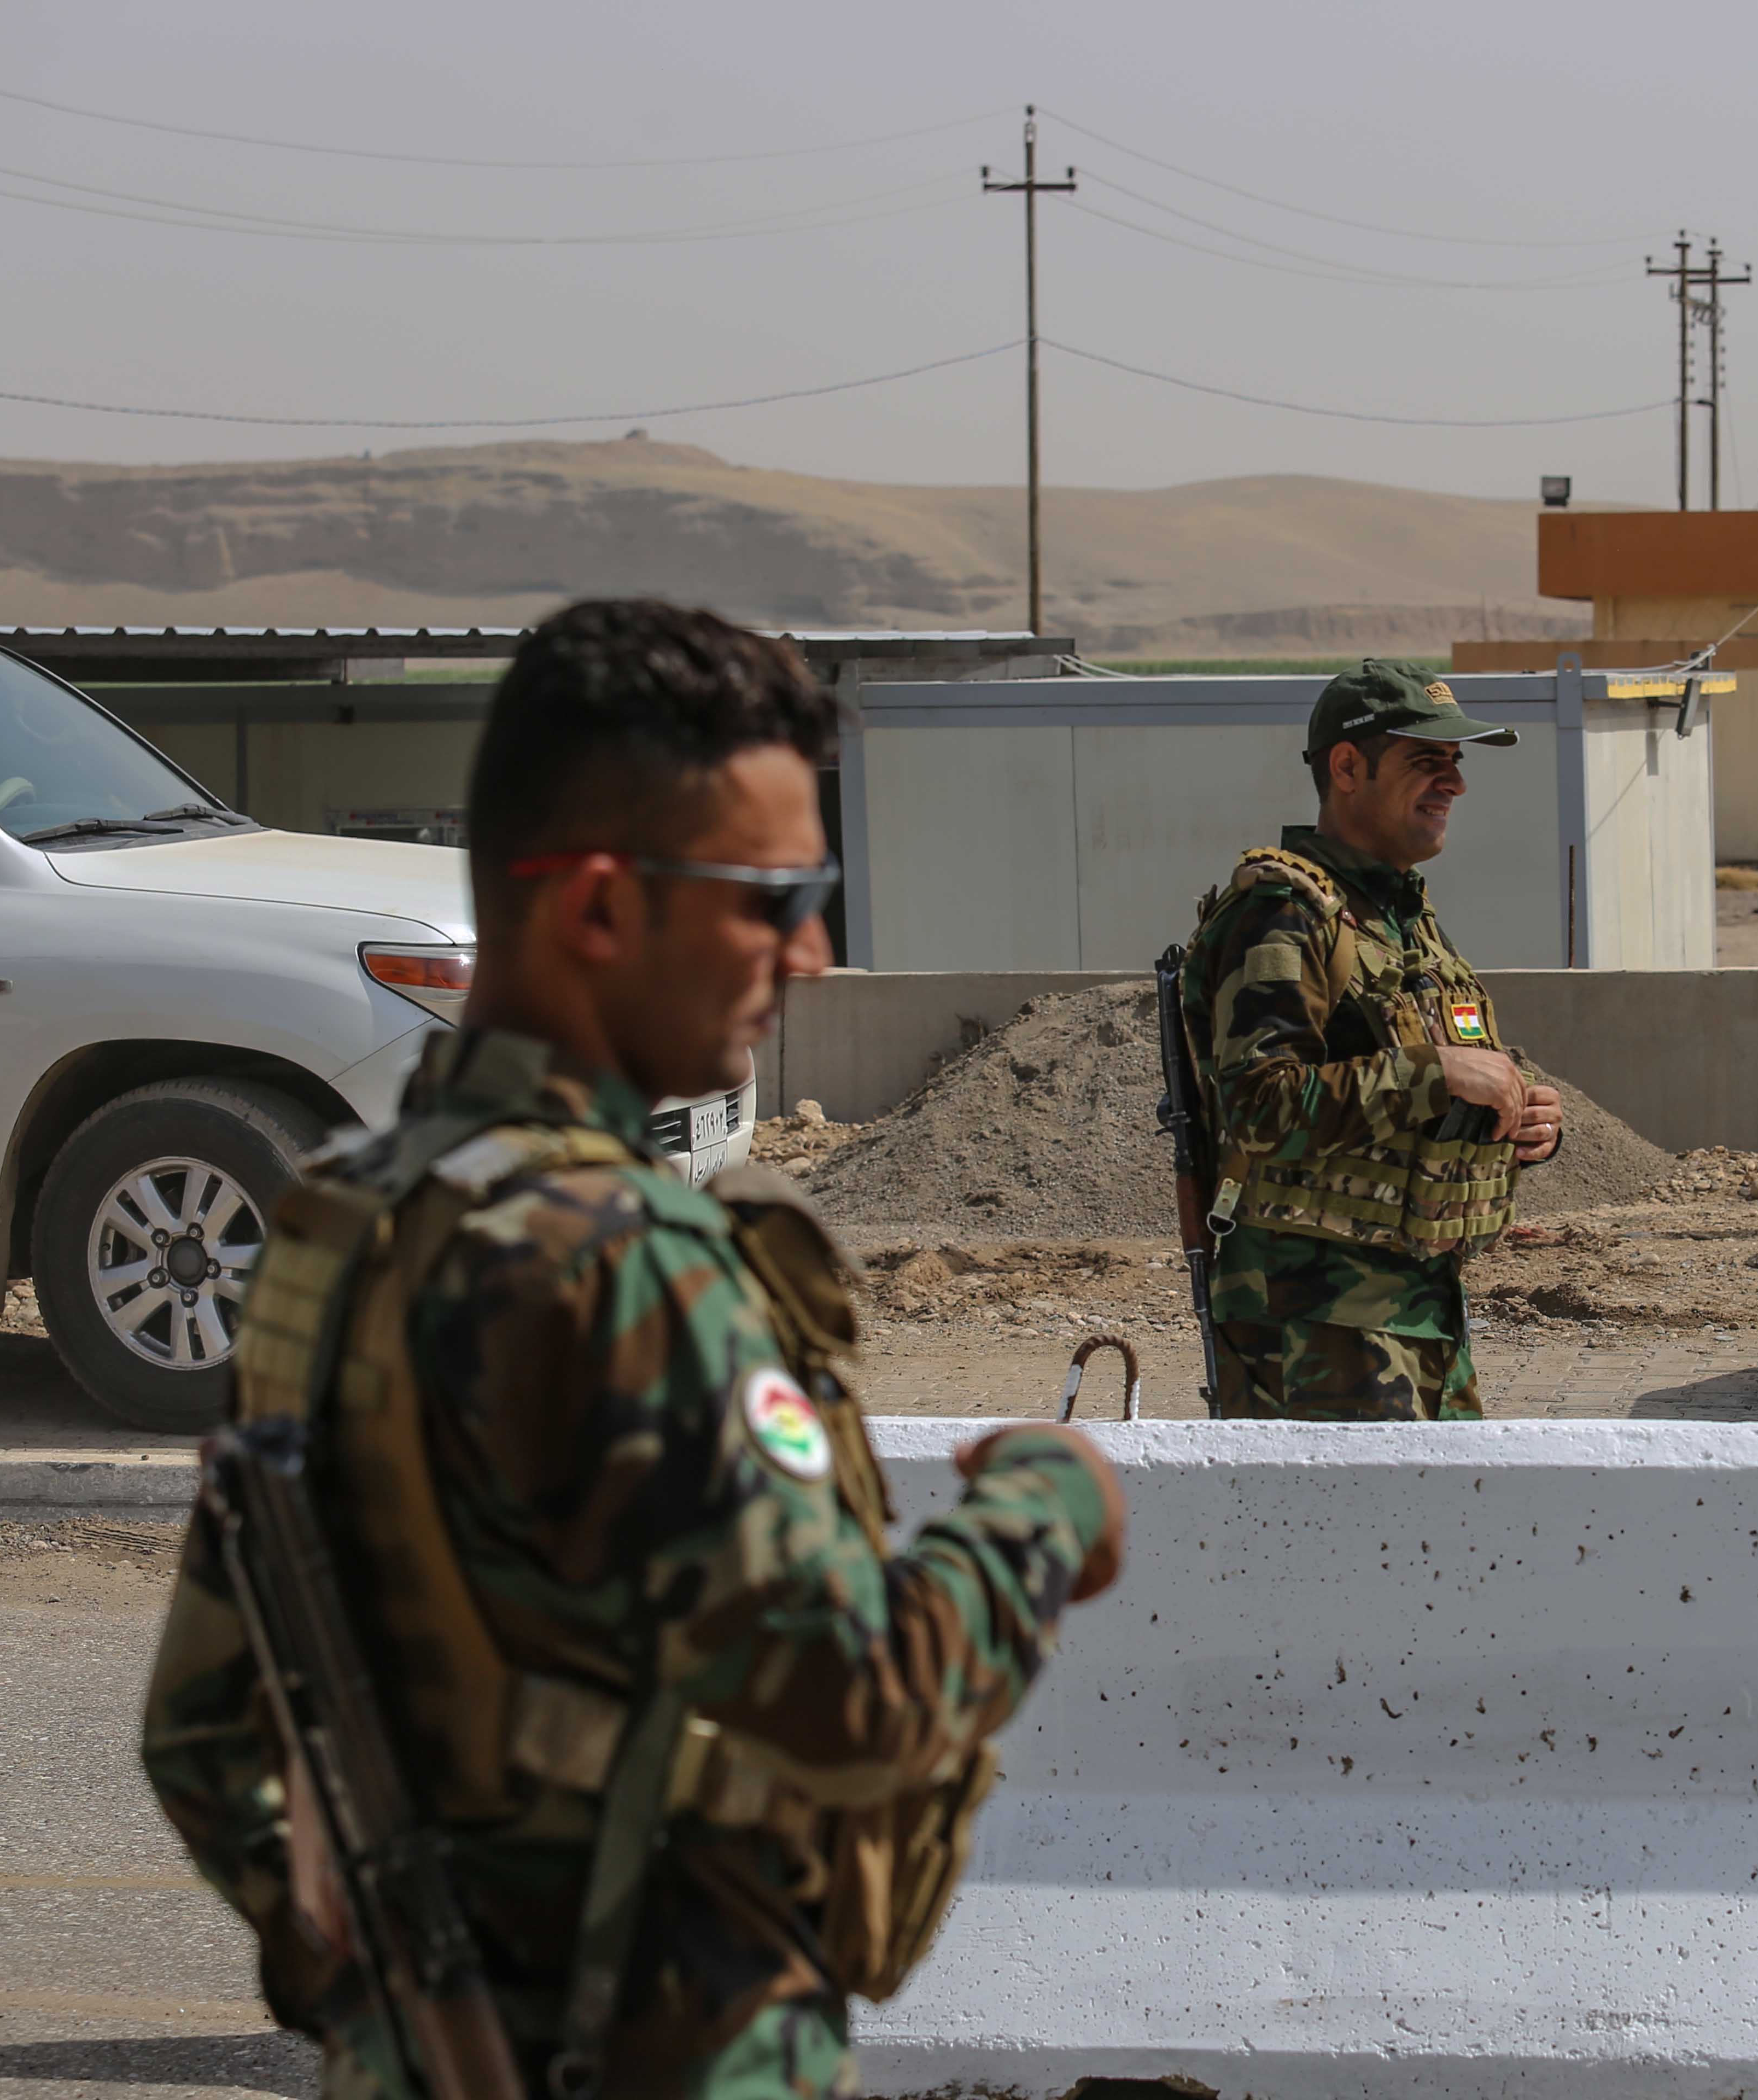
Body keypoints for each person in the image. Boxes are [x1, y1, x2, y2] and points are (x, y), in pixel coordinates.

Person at [141, 600, 1126, 2100]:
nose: (811, 952)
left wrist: (388, 1990)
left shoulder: (342, 1224)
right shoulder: (629, 1272)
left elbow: (203, 1736)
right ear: (599, 909)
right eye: (771, 897)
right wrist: (1043, 1511)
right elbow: (859, 1699)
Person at [1178, 658, 1564, 1421]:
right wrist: (1437, 1076)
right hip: (1317, 1329)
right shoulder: (1283, 914)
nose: (1454, 784)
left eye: (1456, 764)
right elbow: (1258, 1106)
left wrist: (1524, 1120)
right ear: (1348, 767)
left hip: (1420, 1315)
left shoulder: (1400, 920)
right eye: (1428, 762)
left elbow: (1427, 1089)